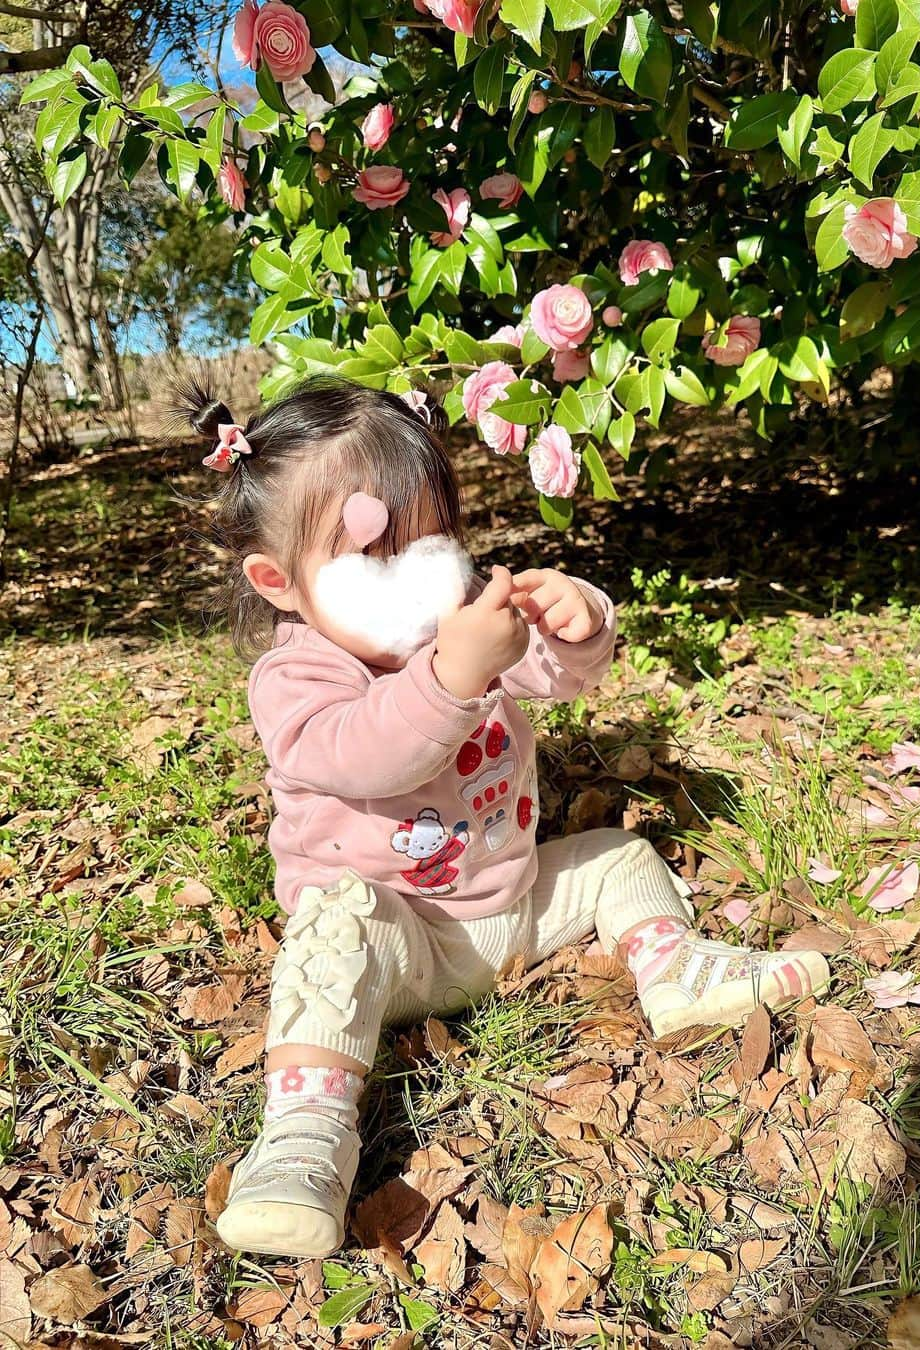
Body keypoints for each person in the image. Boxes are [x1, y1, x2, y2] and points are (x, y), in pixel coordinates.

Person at [176, 374, 830, 1259]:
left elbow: (554, 677)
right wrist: (450, 677)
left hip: (512, 910)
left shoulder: (461, 620)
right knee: (333, 920)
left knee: (615, 856)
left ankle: (678, 971)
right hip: (395, 943)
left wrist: (570, 626)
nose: (423, 577)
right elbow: (364, 753)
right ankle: (305, 1135)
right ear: (277, 581)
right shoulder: (297, 678)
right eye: (374, 557)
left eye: (435, 540)